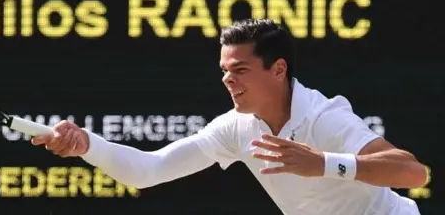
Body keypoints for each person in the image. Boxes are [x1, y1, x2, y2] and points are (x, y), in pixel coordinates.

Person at [31, 18, 427, 214]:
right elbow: (149, 171)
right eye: (224, 70)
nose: (227, 80)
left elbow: (413, 173)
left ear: (278, 70)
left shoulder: (325, 117)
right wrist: (88, 146)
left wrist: (323, 163)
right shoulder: (235, 128)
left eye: (240, 70)